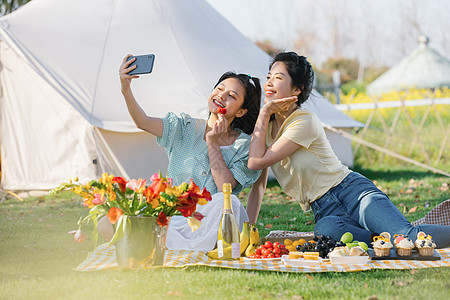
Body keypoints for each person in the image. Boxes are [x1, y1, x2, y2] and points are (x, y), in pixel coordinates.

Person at [247, 51, 450, 248]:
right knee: (324, 230)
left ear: (296, 90)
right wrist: (249, 227)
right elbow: (258, 180)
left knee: (410, 237)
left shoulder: (303, 121)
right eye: (268, 77)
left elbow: (256, 161)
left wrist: (264, 112)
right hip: (325, 211)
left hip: (352, 193)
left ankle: (396, 238)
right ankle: (382, 241)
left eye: (278, 77)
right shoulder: (264, 129)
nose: (269, 82)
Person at [117, 54, 262, 251]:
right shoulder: (184, 127)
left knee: (230, 203)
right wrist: (125, 89)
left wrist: (212, 142)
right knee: (111, 220)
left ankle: (164, 242)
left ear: (241, 112)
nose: (222, 96)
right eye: (220, 89)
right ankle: (183, 243)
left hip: (211, 219)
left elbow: (225, 187)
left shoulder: (244, 145)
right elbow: (142, 121)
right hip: (174, 217)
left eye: (232, 96)